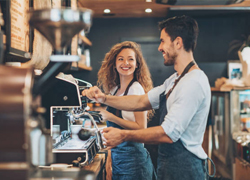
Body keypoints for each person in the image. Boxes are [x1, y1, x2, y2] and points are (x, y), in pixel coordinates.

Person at [83, 15, 215, 180]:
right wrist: (103, 98)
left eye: (162, 41)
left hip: (185, 169)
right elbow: (141, 101)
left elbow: (167, 134)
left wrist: (123, 135)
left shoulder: (193, 82)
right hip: (168, 166)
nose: (159, 47)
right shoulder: (175, 80)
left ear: (178, 43)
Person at [96, 41, 155, 180]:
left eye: (130, 59)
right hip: (118, 160)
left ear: (137, 64)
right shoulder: (114, 90)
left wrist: (111, 116)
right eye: (121, 59)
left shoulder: (136, 89)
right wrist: (109, 161)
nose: (125, 63)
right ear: (114, 64)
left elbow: (141, 128)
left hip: (134, 161)